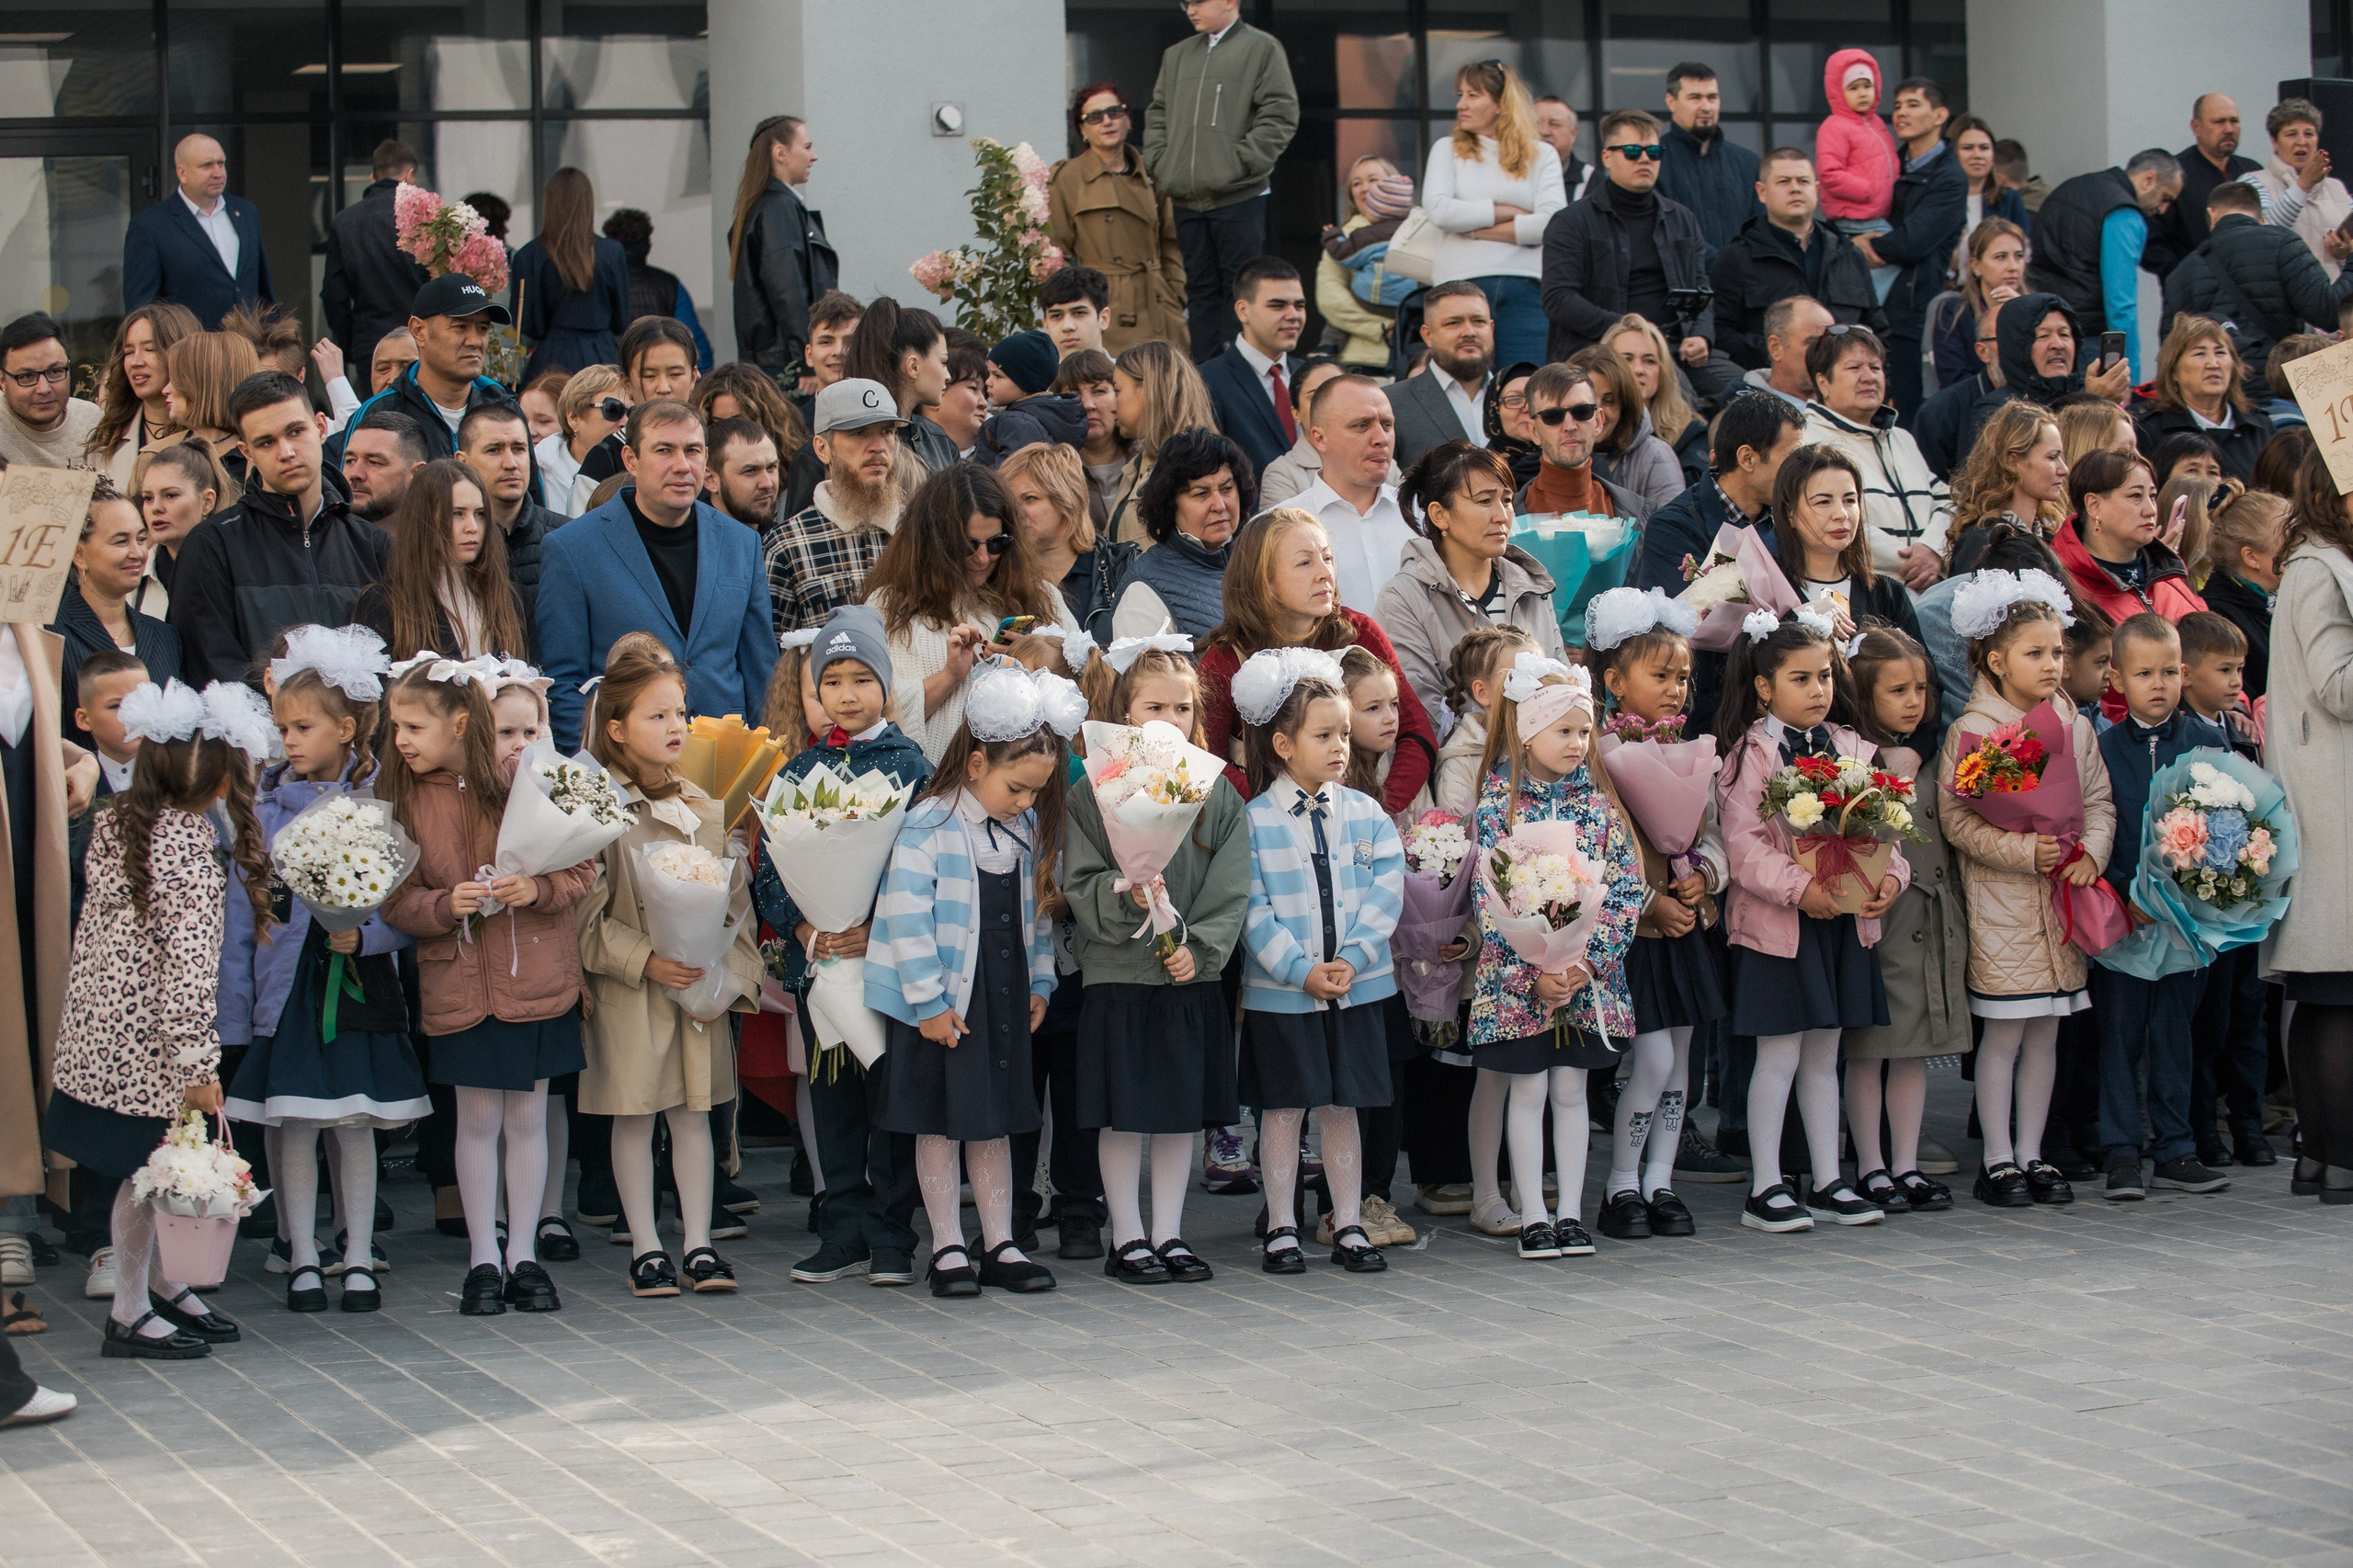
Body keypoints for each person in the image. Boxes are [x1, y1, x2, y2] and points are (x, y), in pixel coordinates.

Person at [42, 676, 269, 1358]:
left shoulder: (120, 824)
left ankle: (167, 1287)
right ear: (222, 782)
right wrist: (200, 1068)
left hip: (99, 1039)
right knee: (147, 1179)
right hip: (154, 1054)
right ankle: (131, 1309)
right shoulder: (191, 855)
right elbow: (187, 975)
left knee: (140, 1174)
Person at [569, 635, 760, 1298]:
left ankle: (699, 1243)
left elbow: (734, 903)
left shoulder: (704, 807)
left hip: (695, 995)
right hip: (633, 991)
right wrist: (645, 958)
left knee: (693, 1113)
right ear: (615, 728)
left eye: (680, 712)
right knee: (634, 1114)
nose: (676, 727)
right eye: (657, 716)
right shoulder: (598, 808)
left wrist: (732, 977)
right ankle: (647, 1246)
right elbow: (586, 916)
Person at [1714, 612, 1906, 1233]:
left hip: (1841, 923)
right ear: (1766, 687)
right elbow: (1743, 847)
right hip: (1784, 927)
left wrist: (1888, 881)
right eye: (1801, 678)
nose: (1818, 690)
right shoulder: (1751, 754)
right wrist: (1803, 889)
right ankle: (1766, 1185)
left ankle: (1827, 1178)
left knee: (1826, 1055)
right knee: (1779, 1056)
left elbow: (1886, 829)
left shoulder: (1849, 746)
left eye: (1825, 675)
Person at [1065, 644, 1247, 1283]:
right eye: (1153, 706)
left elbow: (1232, 887)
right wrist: (1123, 897)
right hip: (1118, 973)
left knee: (1176, 1111)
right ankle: (1128, 1236)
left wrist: (1199, 951)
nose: (1168, 717)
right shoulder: (1092, 792)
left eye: (1182, 706)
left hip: (1186, 979)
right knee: (1123, 1111)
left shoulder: (1216, 794)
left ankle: (1170, 1233)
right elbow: (1079, 878)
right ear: (1124, 712)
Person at [1225, 646, 1402, 1274]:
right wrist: (1299, 970)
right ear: (1281, 744)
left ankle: (1347, 1221)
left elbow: (1388, 889)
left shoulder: (1367, 815)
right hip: (1286, 994)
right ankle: (1279, 1225)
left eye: (1344, 735)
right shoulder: (1254, 823)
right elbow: (1251, 908)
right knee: (1282, 1108)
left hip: (1353, 992)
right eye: (1323, 735)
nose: (1339, 748)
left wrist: (1353, 958)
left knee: (1342, 1106)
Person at [1464, 653, 1637, 1261]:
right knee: (1528, 1090)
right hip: (1520, 991)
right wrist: (1532, 974)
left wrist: (1586, 966)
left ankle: (1570, 1213)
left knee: (1573, 1093)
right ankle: (1532, 1213)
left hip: (1585, 986)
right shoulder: (1498, 809)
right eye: (1563, 730)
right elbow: (1491, 902)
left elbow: (1623, 892)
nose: (1577, 742)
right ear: (1526, 730)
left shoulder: (1600, 809)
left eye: (1584, 731)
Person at [1583, 591, 1727, 1238]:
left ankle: (1661, 1181)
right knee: (1653, 1063)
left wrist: (1705, 877)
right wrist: (1648, 903)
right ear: (1613, 681)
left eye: (1682, 679)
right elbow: (1592, 853)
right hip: (1635, 935)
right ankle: (1620, 1187)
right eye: (1659, 677)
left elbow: (1711, 829)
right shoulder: (1598, 756)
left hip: (1684, 931)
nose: (1675, 690)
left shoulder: (1687, 749)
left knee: (1682, 1066)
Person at [2082, 611, 2229, 1200]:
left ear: (2185, 673)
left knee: (2175, 1031)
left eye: (2170, 671)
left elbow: (2229, 826)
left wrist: (2190, 894)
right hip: (2123, 917)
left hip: (2185, 921)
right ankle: (2120, 1151)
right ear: (2117, 678)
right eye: (2145, 673)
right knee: (2119, 1032)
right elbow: (2097, 823)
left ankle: (2176, 1147)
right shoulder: (2101, 746)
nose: (2160, 684)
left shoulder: (2207, 741)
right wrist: (2125, 894)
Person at [536, 401, 778, 750]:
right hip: (626, 770)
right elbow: (564, 684)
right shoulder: (573, 548)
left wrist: (765, 764)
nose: (682, 466)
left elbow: (762, 673)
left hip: (728, 768)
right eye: (664, 450)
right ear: (631, 460)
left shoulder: (741, 542)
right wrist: (596, 775)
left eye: (692, 451)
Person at [1839, 623, 1964, 1215]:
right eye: (1898, 691)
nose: (1915, 702)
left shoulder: (1935, 756)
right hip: (1877, 920)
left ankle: (1907, 1163)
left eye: (1921, 689)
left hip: (1927, 920)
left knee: (1913, 1048)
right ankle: (1870, 1164)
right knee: (1870, 1049)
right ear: (1863, 696)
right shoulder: (1850, 758)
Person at [169, 372, 390, 686]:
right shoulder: (212, 546)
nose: (286, 452)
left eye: (295, 431)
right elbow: (213, 673)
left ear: (321, 427)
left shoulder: (373, 545)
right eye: (266, 442)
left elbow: (397, 661)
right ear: (247, 453)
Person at [2266, 448, 2353, 1202]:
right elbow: (2339, 687)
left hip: (2335, 802)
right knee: (2335, 987)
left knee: (2331, 988)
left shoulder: (2316, 565)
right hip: (2334, 808)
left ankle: (2323, 1157)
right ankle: (2338, 1157)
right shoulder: (2321, 571)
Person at [863, 463, 1077, 762]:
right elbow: (872, 715)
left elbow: (1082, 687)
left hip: (1025, 787)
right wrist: (950, 676)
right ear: (933, 542)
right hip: (928, 787)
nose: (983, 557)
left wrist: (1027, 663)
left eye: (997, 543)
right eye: (968, 545)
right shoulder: (889, 607)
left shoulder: (1040, 596)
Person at [1141, 0, 1300, 361]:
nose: (1189, 9)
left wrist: (1240, 164)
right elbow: (1157, 115)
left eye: (1197, 1)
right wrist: (1163, 165)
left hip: (1238, 196)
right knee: (1199, 289)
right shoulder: (1177, 55)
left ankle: (1246, 370)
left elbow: (1281, 113)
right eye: (1185, 3)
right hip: (1186, 196)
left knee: (1242, 291)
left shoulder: (1261, 48)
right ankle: (1206, 374)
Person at [1375, 441, 1564, 724]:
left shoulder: (1532, 586)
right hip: (1460, 764)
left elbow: (1563, 685)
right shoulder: (1405, 597)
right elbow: (1423, 712)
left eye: (1507, 500)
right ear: (1440, 515)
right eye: (1485, 501)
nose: (1501, 516)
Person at [1540, 109, 1716, 368]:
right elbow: (1558, 299)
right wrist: (1625, 330)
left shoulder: (1682, 219)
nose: (1644, 159)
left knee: (1744, 389)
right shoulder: (1571, 221)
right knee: (1680, 400)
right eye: (1633, 152)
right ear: (1607, 157)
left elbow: (1702, 290)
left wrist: (1702, 335)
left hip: (1676, 350)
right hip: (1600, 353)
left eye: (1654, 152)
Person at [2162, 182, 2353, 406]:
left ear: (2211, 215)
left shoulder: (2183, 271)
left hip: (2218, 398)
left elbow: (2169, 349)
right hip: (2282, 390)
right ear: (2259, 215)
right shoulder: (2284, 244)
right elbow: (2330, 312)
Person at [1423, 60, 1562, 369]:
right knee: (1462, 384)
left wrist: (1473, 230)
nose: (1461, 104)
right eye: (1461, 95)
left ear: (1501, 103)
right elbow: (1440, 211)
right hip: (1458, 287)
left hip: (1526, 289)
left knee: (1526, 385)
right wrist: (1506, 212)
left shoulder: (1542, 155)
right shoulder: (1447, 149)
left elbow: (1551, 223)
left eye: (1473, 95)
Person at [1851, 79, 1967, 417]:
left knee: (1907, 411)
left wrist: (1865, 246)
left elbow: (1912, 243)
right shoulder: (1889, 162)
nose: (1900, 113)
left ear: (1939, 115)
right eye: (1898, 105)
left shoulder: (1949, 177)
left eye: (1913, 105)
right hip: (1872, 306)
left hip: (1912, 312)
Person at [1799, 325, 1948, 586]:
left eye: (1875, 368)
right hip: (1866, 590)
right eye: (1854, 368)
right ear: (1823, 383)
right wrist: (1914, 564)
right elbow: (1823, 520)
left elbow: (1949, 501)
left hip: (1933, 581)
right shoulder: (1806, 440)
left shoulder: (1902, 439)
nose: (1869, 377)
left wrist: (1933, 549)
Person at [1711, 149, 1885, 371]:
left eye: (1803, 181)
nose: (1795, 188)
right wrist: (1782, 357)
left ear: (1816, 189)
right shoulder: (1736, 259)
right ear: (1762, 192)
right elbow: (1722, 333)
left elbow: (1877, 329)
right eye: (1783, 182)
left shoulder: (1848, 254)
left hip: (1844, 394)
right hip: (1772, 389)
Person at [1049, 88, 1189, 355]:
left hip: (1159, 303)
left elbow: (1170, 241)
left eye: (1115, 112)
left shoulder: (1152, 172)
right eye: (1095, 117)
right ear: (1082, 130)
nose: (1107, 121)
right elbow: (1057, 254)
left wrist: (1176, 293)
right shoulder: (1067, 178)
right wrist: (1080, 309)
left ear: (1128, 120)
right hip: (1106, 305)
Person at [351, 459, 529, 666]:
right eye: (457, 514)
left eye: (480, 514)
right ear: (424, 520)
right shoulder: (383, 603)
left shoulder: (512, 599)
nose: (472, 527)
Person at [335, 274, 525, 468]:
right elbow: (352, 494)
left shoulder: (506, 408)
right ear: (419, 331)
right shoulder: (378, 413)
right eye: (460, 327)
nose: (475, 341)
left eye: (483, 329)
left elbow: (531, 497)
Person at [767, 378, 909, 636]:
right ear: (823, 449)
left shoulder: (920, 531)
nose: (878, 446)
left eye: (887, 431)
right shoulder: (787, 546)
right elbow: (778, 661)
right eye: (859, 433)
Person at [2029, 149, 2185, 382]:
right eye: (2165, 198)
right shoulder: (2123, 213)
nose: (2162, 210)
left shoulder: (2071, 188)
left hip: (2043, 331)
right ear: (2148, 180)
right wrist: (2127, 375)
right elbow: (2120, 304)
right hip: (2088, 339)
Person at [50, 482, 178, 753]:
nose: (137, 553)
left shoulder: (165, 635)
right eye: (121, 541)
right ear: (79, 554)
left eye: (141, 539)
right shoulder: (50, 633)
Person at [2053, 447, 2208, 647]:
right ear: (2094, 505)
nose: (2151, 510)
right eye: (2136, 496)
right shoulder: (2062, 588)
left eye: (2152, 496)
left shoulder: (2169, 577)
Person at [1283, 374, 1410, 612]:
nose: (1381, 439)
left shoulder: (1423, 517)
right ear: (1319, 438)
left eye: (1387, 425)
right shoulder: (1277, 528)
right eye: (1361, 425)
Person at [121, 134, 272, 329]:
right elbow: (141, 308)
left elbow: (263, 287)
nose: (218, 173)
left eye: (221, 163)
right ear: (182, 173)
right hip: (192, 352)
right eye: (207, 165)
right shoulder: (151, 226)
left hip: (250, 349)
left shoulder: (246, 212)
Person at [729, 115, 838, 384]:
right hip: (786, 367)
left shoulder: (763, 205)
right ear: (780, 152)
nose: (814, 157)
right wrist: (805, 361)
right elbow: (787, 291)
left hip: (774, 362)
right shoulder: (778, 208)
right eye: (807, 146)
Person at [1110, 428, 1248, 642]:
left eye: (1227, 488)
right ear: (1170, 504)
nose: (1219, 505)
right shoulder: (1143, 592)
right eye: (1201, 494)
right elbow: (1142, 674)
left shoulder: (1257, 559)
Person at [320, 141, 432, 395]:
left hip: (371, 343)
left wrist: (351, 344)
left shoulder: (345, 222)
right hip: (422, 341)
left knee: (377, 418)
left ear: (373, 176)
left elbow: (333, 296)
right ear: (410, 175)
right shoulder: (428, 220)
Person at [999, 441, 1134, 647]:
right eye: (1009, 501)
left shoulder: (1120, 569)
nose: (1015, 511)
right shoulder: (998, 574)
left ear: (1067, 501)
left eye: (1030, 498)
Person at [509, 167, 629, 382]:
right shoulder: (612, 252)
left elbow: (526, 325)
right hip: (603, 356)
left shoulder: (528, 256)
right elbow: (621, 321)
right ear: (588, 203)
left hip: (551, 360)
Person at [1198, 256, 1307, 480]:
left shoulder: (1311, 376)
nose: (1293, 315)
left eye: (1300, 305)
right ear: (1243, 311)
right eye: (1277, 306)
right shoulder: (1206, 380)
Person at [2134, 314, 2275, 485]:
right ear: (2173, 371)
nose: (2213, 364)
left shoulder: (2260, 428)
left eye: (2221, 352)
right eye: (2200, 354)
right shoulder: (2147, 431)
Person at [1102, 338, 1217, 545]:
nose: (1112, 403)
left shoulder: (1200, 466)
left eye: (1117, 390)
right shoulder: (1141, 462)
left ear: (1148, 390)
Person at [454, 403, 559, 619]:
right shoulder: (444, 541)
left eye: (519, 449)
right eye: (494, 450)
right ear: (462, 462)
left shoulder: (566, 538)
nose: (511, 463)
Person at [1517, 359, 1651, 528]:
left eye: (1582, 412)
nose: (1570, 426)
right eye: (1553, 416)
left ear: (1599, 421)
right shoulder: (1505, 519)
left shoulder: (1640, 512)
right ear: (1533, 431)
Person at [2143, 95, 2261, 282]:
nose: (2229, 129)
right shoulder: (2174, 176)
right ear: (2196, 127)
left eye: (2234, 121)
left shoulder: (2253, 172)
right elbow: (2150, 240)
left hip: (2249, 288)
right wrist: (2182, 274)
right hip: (2192, 295)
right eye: (2219, 122)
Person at [85, 301, 199, 490]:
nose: (136, 362)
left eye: (150, 349)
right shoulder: (106, 439)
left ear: (182, 354)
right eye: (129, 352)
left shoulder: (210, 434)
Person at [1384, 281, 1497, 469]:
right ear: (1427, 335)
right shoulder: (1391, 404)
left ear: (1491, 328)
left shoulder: (1526, 398)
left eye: (1479, 321)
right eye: (1454, 323)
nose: (1469, 332)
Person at [1656, 61, 1761, 259]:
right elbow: (1665, 231)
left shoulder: (1748, 163)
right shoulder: (1654, 162)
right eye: (1695, 98)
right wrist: (1723, 264)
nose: (1706, 106)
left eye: (1712, 97)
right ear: (1671, 102)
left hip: (1742, 283)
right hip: (1682, 283)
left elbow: (1762, 228)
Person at [845, 297, 957, 474]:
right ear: (913, 366)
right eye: (943, 362)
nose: (948, 376)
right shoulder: (837, 442)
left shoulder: (938, 440)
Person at [1569, 346, 1686, 513]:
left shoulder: (1655, 455)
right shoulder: (1549, 453)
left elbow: (1671, 531)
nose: (1597, 413)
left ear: (1625, 404)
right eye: (1587, 402)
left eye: (1609, 401)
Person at [2197, 485, 2289, 698]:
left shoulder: (2283, 600)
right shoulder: (2219, 616)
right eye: (2289, 544)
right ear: (2251, 557)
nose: (2300, 551)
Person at [1814, 50, 1899, 277]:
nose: (1862, 93)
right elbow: (1829, 173)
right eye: (1853, 88)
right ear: (1837, 91)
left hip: (1877, 215)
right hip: (1857, 220)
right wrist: (1868, 191)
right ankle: (1874, 307)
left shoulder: (1877, 123)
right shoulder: (1835, 126)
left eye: (1867, 86)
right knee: (1894, 261)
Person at [2247, 98, 2353, 278]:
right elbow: (2263, 236)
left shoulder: (2337, 188)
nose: (2301, 142)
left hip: (2338, 298)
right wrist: (2303, 185)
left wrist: (2345, 254)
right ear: (2274, 141)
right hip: (2286, 298)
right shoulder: (2254, 183)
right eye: (2291, 134)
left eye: (2309, 134)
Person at [1315, 158, 1404, 372]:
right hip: (1359, 357)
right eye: (1356, 183)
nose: (1364, 188)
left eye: (1373, 180)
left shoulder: (1416, 229)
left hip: (1413, 356)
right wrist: (1382, 328)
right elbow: (1330, 297)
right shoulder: (1343, 238)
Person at [603, 209, 712, 371]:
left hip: (612, 377)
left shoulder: (600, 285)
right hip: (659, 377)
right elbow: (695, 344)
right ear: (647, 247)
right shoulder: (669, 285)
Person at [1607, 316, 1710, 486]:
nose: (1638, 370)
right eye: (1627, 359)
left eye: (1649, 361)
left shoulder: (1690, 434)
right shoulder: (1584, 428)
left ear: (1663, 372)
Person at [1930, 218, 2026, 393]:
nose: (2013, 267)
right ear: (1976, 266)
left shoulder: (2041, 311)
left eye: (2019, 256)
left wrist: (2022, 313)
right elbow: (1954, 381)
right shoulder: (1953, 312)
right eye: (2001, 257)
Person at [131, 440, 229, 606]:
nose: (155, 508)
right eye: (148, 498)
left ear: (207, 502)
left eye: (170, 495)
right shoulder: (132, 572)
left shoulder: (236, 568)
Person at [972, 330, 1088, 467]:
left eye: (998, 376)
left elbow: (1006, 477)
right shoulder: (1048, 416)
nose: (988, 382)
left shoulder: (1017, 423)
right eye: (989, 373)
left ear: (1025, 382)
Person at [0, 312, 98, 469]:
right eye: (27, 377)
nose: (43, 389)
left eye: (55, 372)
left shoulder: (93, 422)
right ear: (2, 381)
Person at [1945, 115, 2030, 283]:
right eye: (1968, 148)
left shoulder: (2009, 199)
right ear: (1952, 154)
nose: (1977, 155)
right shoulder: (1938, 199)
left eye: (1984, 148)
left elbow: (2024, 255)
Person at [691, 359, 808, 482]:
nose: (727, 433)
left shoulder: (798, 473)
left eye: (738, 423)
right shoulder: (697, 482)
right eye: (717, 424)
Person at [535, 364, 625, 519]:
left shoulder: (635, 470)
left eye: (632, 412)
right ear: (574, 417)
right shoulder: (537, 470)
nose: (625, 421)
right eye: (613, 409)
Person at [1257, 356, 1346, 507]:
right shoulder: (1282, 474)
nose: (1331, 404)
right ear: (1296, 413)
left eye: (1340, 393)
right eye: (1315, 396)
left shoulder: (1382, 463)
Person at [340, 410, 429, 527]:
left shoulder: (444, 541)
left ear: (416, 475)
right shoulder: (322, 540)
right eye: (350, 461)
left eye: (374, 463)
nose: (355, 474)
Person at [1744, 295, 1833, 410]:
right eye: (1813, 343)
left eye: (1830, 342)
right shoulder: (1746, 416)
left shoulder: (1852, 408)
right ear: (1775, 348)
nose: (1826, 352)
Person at [704, 416, 781, 536]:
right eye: (750, 471)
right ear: (710, 480)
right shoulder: (694, 546)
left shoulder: (787, 544)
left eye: (771, 468)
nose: (767, 483)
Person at [1534, 96, 1593, 206]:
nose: (1544, 132)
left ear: (1573, 133)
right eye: (1536, 123)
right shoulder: (1510, 176)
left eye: (1554, 124)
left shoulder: (1593, 183)